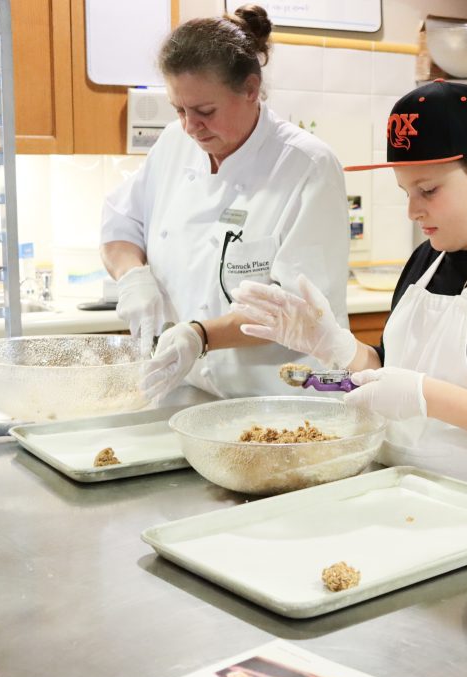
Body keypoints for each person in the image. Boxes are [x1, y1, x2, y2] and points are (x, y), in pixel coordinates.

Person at [230, 80, 467, 534]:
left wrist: (429, 397)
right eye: (405, 190)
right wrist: (338, 347)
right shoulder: (427, 259)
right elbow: (394, 371)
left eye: (428, 190)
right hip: (403, 512)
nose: (412, 210)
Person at [100, 4, 350, 401]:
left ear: (251, 89)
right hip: (196, 393)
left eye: (204, 111)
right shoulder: (172, 144)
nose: (189, 126)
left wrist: (198, 335)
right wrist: (133, 277)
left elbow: (297, 310)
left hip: (283, 402)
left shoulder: (306, 166)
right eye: (179, 109)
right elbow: (119, 224)